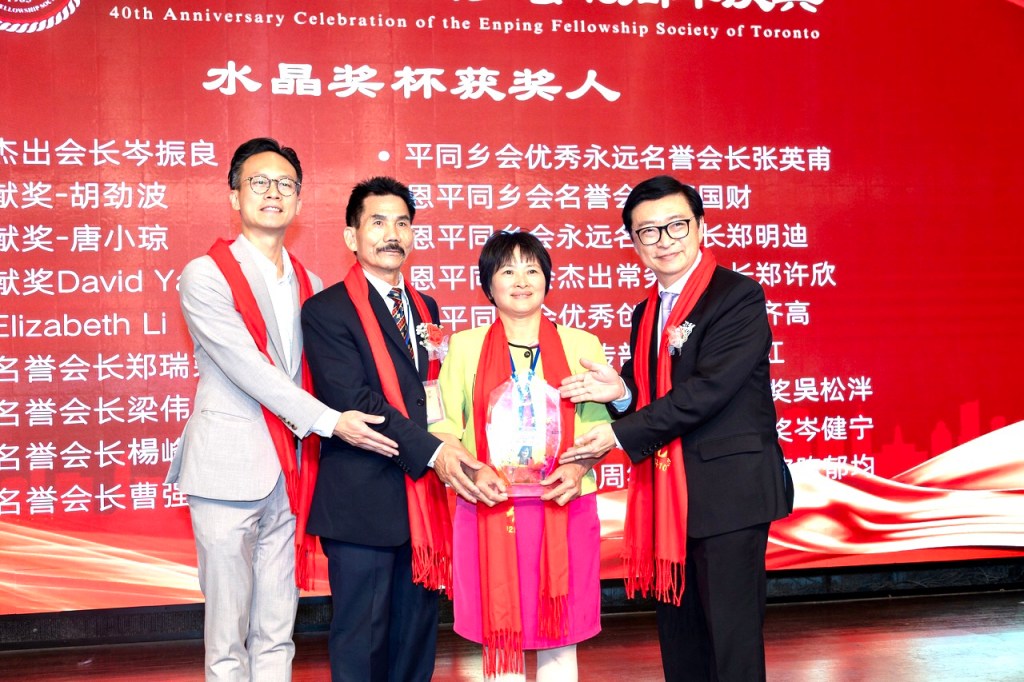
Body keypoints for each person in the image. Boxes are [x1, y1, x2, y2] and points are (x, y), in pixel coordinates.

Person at [166, 137, 397, 681]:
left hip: (292, 471)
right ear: (234, 196)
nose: (273, 193)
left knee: (277, 627)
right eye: (259, 182)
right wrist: (330, 421)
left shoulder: (309, 283)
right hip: (227, 470)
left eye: (286, 184)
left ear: (298, 200)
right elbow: (246, 367)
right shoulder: (205, 274)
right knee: (227, 637)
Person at [559, 175, 794, 682]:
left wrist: (619, 435)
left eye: (676, 225)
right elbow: (649, 392)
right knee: (681, 641)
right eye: (648, 231)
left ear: (701, 226)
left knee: (732, 644)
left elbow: (707, 391)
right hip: (669, 499)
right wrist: (620, 394)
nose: (664, 240)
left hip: (728, 496)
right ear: (633, 242)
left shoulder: (737, 296)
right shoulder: (646, 311)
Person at [300, 176, 500, 682]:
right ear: (352, 236)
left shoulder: (426, 308)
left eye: (403, 223)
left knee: (416, 639)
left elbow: (430, 397)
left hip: (421, 503)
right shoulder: (326, 311)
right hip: (361, 505)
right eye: (378, 222)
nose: (392, 234)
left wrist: (455, 447)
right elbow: (357, 402)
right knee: (362, 643)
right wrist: (436, 453)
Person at [429, 231, 611, 682]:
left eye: (532, 270)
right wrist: (470, 469)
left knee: (560, 632)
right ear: (488, 284)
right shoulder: (465, 346)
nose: (522, 281)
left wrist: (578, 466)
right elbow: (443, 424)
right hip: (490, 503)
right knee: (500, 633)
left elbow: (598, 426)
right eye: (507, 270)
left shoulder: (581, 345)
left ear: (547, 279)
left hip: (564, 501)